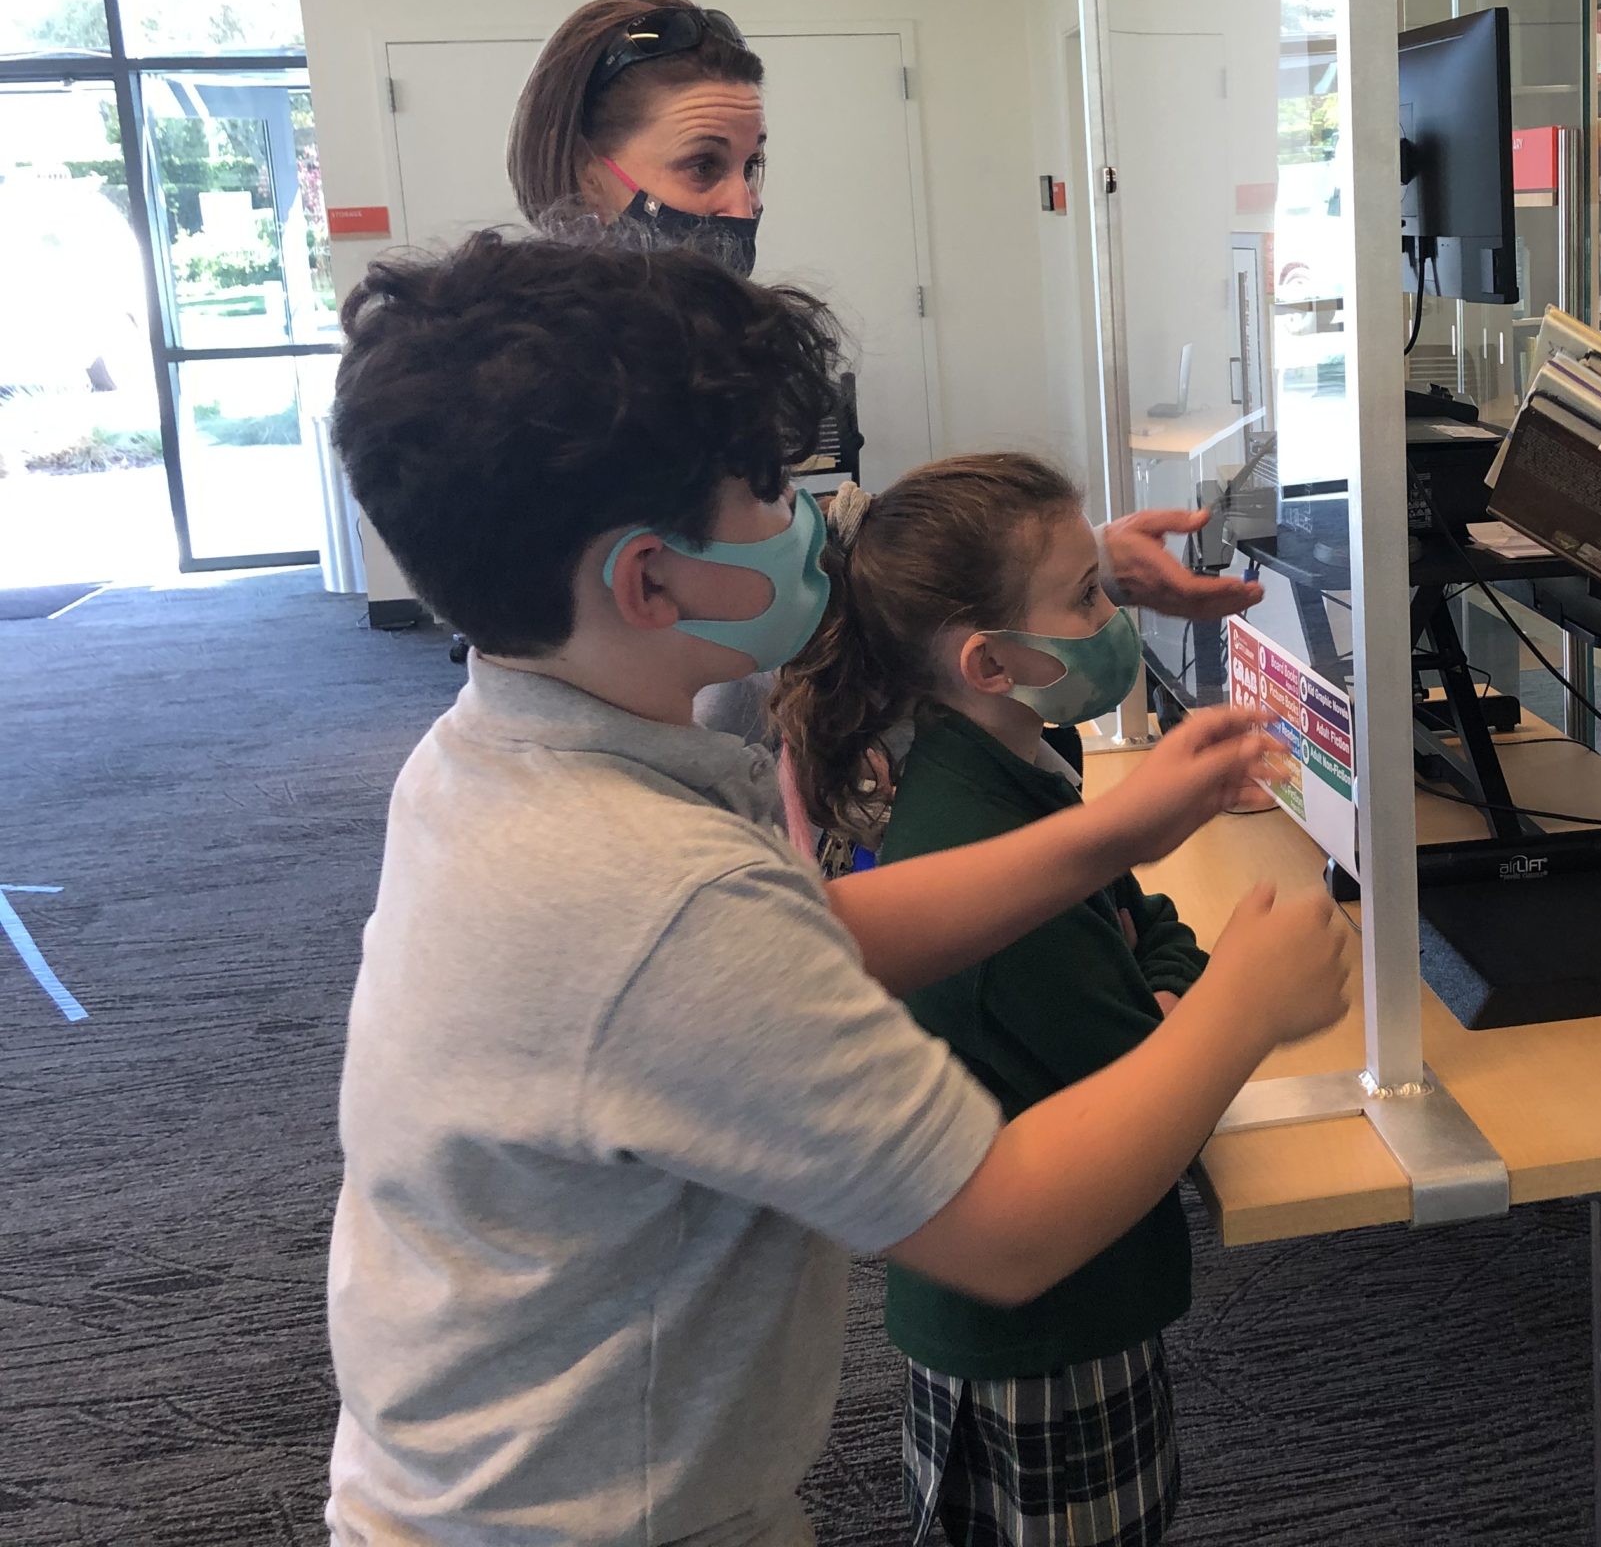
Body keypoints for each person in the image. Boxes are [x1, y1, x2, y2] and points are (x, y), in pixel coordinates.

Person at [322, 228, 1353, 1544]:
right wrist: (1243, 1004)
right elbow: (1004, 1226)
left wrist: (1108, 837)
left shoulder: (502, 762)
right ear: (648, 580)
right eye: (768, 491)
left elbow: (802, 941)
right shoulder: (655, 897)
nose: (812, 521)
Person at [503, 0, 1256, 732]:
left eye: (752, 166)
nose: (745, 204)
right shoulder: (557, 403)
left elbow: (798, 562)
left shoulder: (695, 356)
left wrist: (1073, 571)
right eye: (703, 168)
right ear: (586, 172)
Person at [774, 455, 1213, 1547]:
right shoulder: (982, 840)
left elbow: (1139, 916)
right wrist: (1217, 991)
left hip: (1041, 1305)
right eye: (1088, 595)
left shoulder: (1017, 767)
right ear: (989, 661)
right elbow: (1153, 1085)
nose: (1117, 610)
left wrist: (1156, 967)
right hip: (1043, 1327)